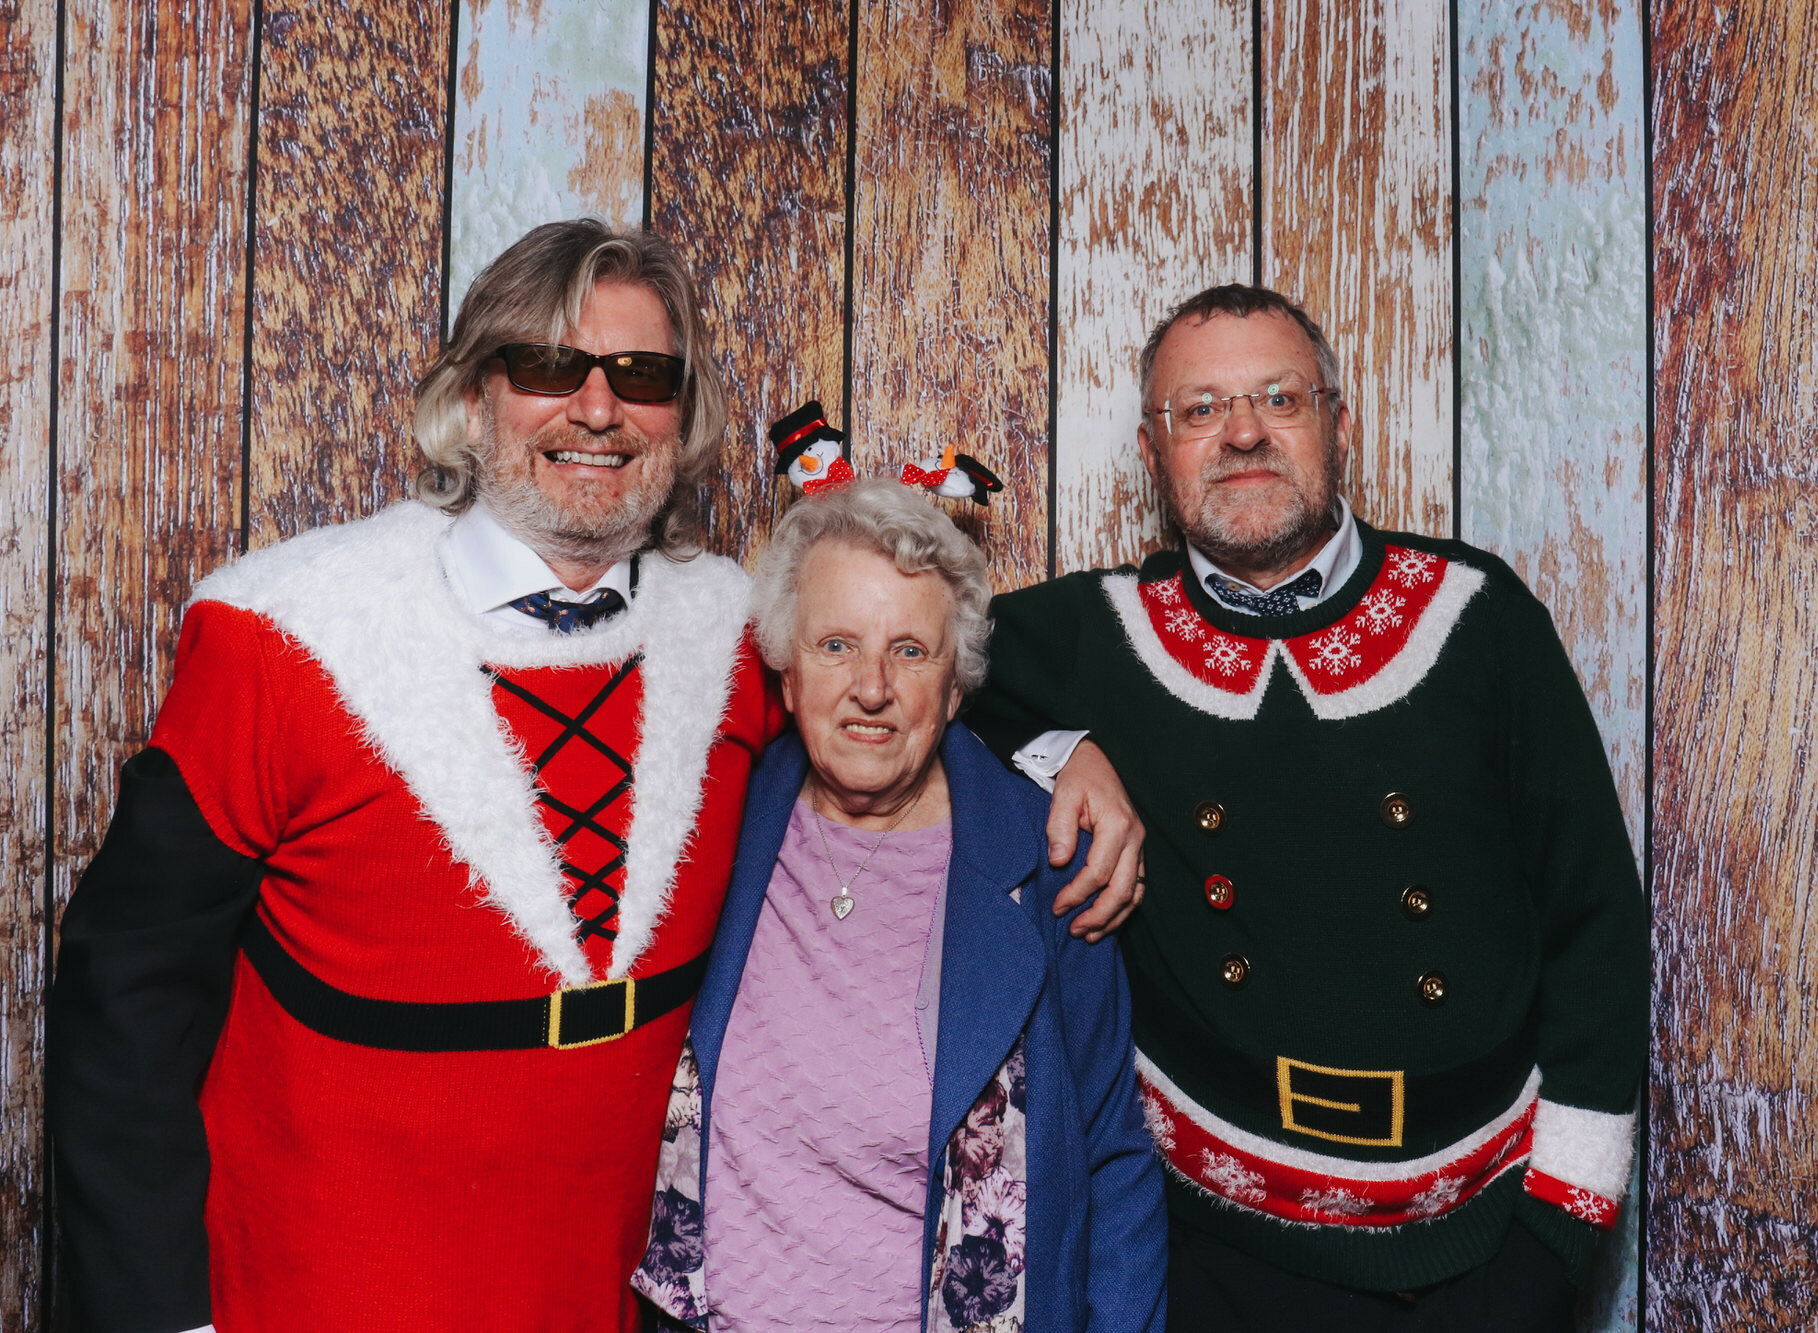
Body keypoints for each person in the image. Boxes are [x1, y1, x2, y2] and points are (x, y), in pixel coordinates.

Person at [48, 219, 792, 1333]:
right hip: (316, 1292)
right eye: (548, 365)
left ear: (682, 421)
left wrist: (1059, 759)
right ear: (472, 396)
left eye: (641, 375)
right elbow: (123, 1008)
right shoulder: (282, 632)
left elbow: (913, 697)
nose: (597, 409)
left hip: (601, 1296)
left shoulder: (741, 633)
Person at [967, 284, 1648, 1330]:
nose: (1240, 432)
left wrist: (1558, 1237)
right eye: (1197, 410)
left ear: (1338, 423)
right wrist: (1069, 748)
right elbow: (879, 672)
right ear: (1154, 455)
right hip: (1209, 1258)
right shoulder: (1094, 631)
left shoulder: (1477, 614)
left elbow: (1594, 925)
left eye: (1277, 397)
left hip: (1484, 1252)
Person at [631, 479, 1168, 1332]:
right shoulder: (719, 812)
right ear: (788, 669)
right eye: (838, 644)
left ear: (956, 687)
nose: (872, 687)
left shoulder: (1050, 859)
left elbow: (1114, 1158)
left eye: (911, 651)